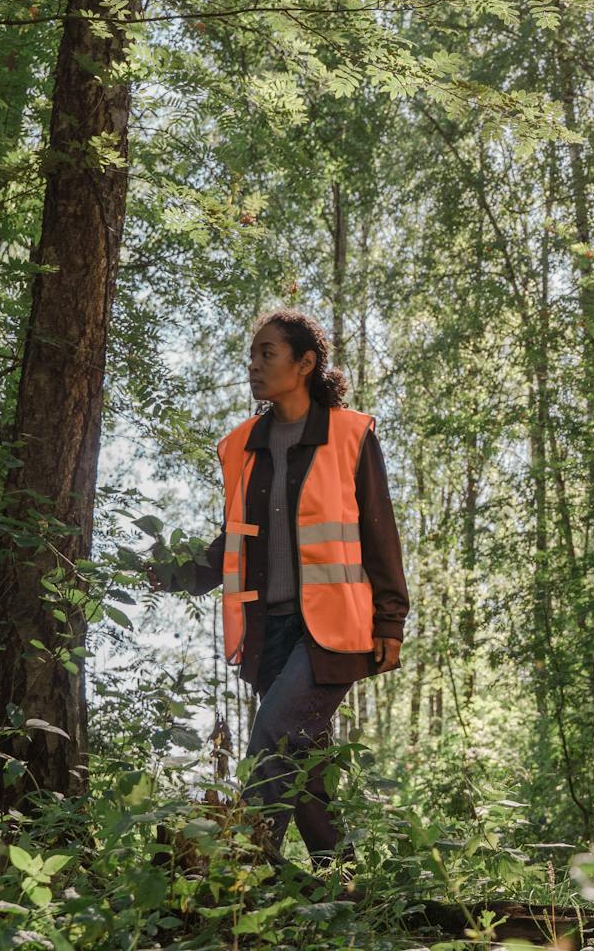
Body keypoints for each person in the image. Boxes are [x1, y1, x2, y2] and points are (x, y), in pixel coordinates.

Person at [154, 309, 408, 868]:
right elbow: (235, 542)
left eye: (267, 353)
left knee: (273, 734)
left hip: (333, 630)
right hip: (268, 631)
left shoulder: (349, 434)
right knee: (306, 766)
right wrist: (170, 572)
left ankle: (237, 865)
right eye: (252, 354)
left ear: (305, 363)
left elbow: (378, 531)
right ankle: (341, 883)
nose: (254, 365)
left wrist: (391, 620)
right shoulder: (241, 445)